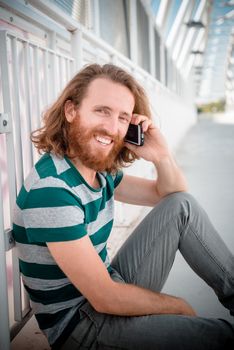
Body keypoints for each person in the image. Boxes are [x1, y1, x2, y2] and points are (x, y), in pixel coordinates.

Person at [13, 63, 234, 350]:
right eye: (102, 110)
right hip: (81, 326)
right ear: (71, 111)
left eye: (123, 117)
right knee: (219, 337)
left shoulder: (97, 171)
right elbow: (105, 297)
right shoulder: (53, 191)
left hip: (105, 290)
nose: (112, 127)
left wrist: (161, 156)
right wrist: (177, 305)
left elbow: (168, 194)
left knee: (182, 207)